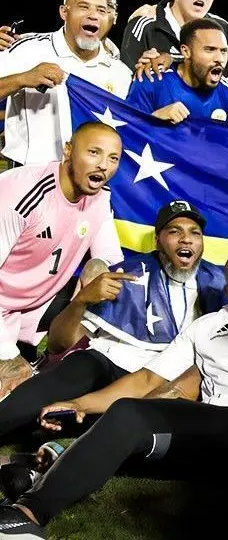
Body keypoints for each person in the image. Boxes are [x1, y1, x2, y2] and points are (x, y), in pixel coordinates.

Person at [0, 249, 228, 539]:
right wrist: (79, 403)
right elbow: (147, 378)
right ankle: (27, 514)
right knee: (127, 414)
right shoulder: (206, 327)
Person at [0, 202, 224, 442]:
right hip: (106, 362)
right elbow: (58, 344)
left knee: (54, 426)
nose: (186, 239)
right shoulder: (125, 273)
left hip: (159, 379)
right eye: (175, 231)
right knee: (60, 381)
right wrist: (81, 301)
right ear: (158, 240)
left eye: (194, 233)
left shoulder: (219, 282)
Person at [0, 123, 124, 397]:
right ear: (68, 150)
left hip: (38, 303)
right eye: (94, 152)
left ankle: (55, 361)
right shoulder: (20, 192)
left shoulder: (99, 198)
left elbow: (107, 259)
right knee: (14, 398)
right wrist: (7, 356)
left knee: (111, 290)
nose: (104, 165)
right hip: (3, 304)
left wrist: (96, 269)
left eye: (113, 158)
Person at [0, 0, 132, 166]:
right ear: (64, 12)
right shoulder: (26, 49)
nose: (93, 15)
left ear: (111, 18)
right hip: (28, 177)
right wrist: (22, 79)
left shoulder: (122, 74)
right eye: (83, 7)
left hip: (90, 184)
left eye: (101, 10)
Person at [125, 19, 228, 125]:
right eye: (210, 50)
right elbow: (127, 132)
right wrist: (155, 118)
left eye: (223, 51)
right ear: (186, 51)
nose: (219, 59)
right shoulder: (151, 81)